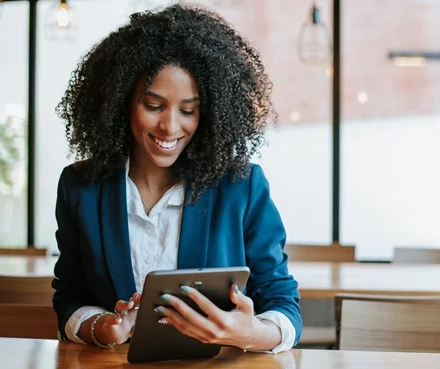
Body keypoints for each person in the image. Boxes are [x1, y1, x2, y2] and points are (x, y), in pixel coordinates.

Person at [52, 3, 302, 353]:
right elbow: (70, 296)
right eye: (153, 106)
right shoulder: (81, 188)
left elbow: (283, 302)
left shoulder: (241, 187)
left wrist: (252, 333)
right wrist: (101, 327)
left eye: (188, 110)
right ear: (121, 101)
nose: (170, 127)